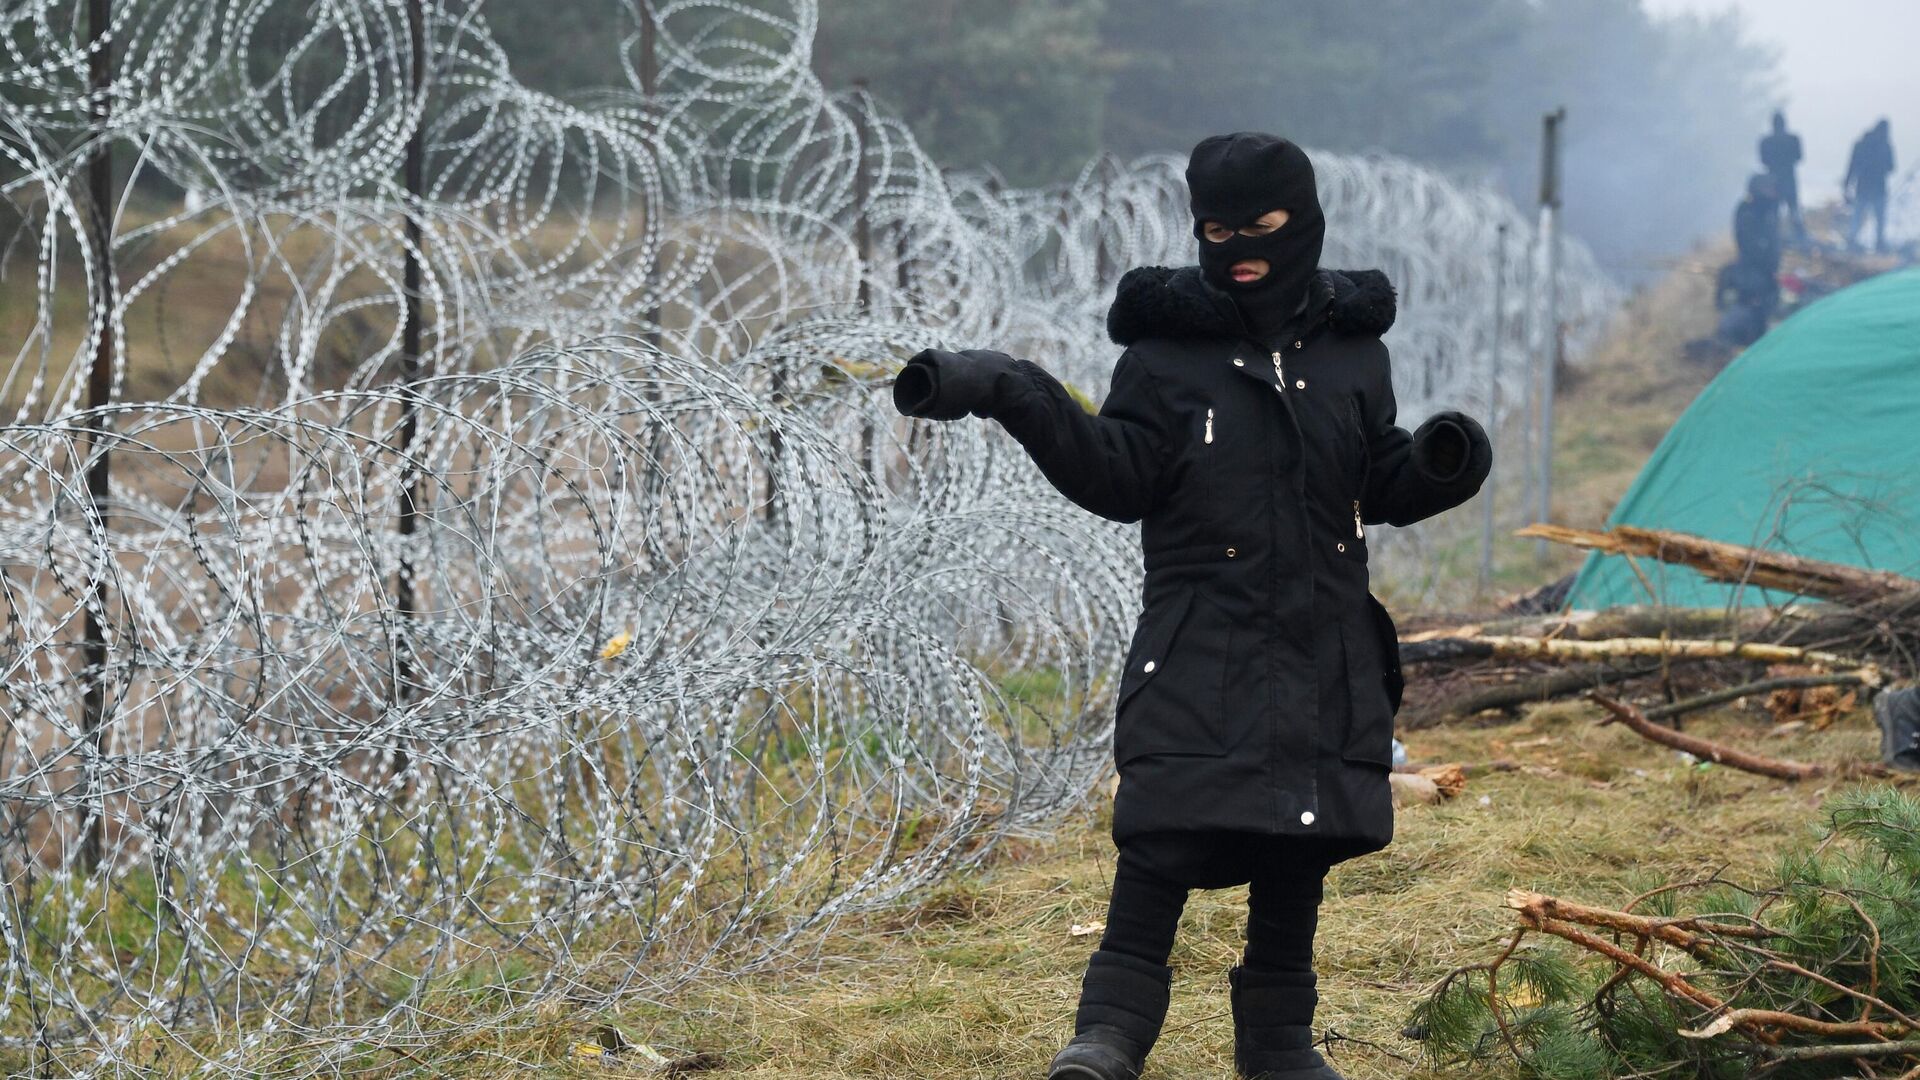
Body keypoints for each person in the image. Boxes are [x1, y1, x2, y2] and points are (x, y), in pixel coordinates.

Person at [890, 132, 1491, 1080]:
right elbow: (1115, 473)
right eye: (1216, 229)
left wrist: (1444, 460)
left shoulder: (1353, 352)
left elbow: (1377, 478)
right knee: (1165, 835)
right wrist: (1009, 388)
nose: (1238, 247)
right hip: (1201, 635)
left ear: (1305, 222)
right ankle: (1109, 1038)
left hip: (1322, 636)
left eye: (1260, 226)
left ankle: (1279, 1046)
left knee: (1301, 847)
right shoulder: (1167, 356)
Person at [1844, 119, 1896, 253]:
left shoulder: (1861, 144)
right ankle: (1876, 243)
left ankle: (1854, 240)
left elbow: (1851, 167)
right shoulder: (1885, 146)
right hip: (1877, 188)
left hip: (1864, 187)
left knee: (1859, 215)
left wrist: (1846, 185)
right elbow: (1891, 167)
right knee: (1877, 218)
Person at [1758, 110, 1806, 246]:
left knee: (1774, 210)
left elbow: (1763, 160)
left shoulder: (1766, 141)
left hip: (1773, 180)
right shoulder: (1793, 139)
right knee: (1794, 209)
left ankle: (1774, 236)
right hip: (1789, 178)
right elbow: (1799, 157)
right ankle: (1800, 236)